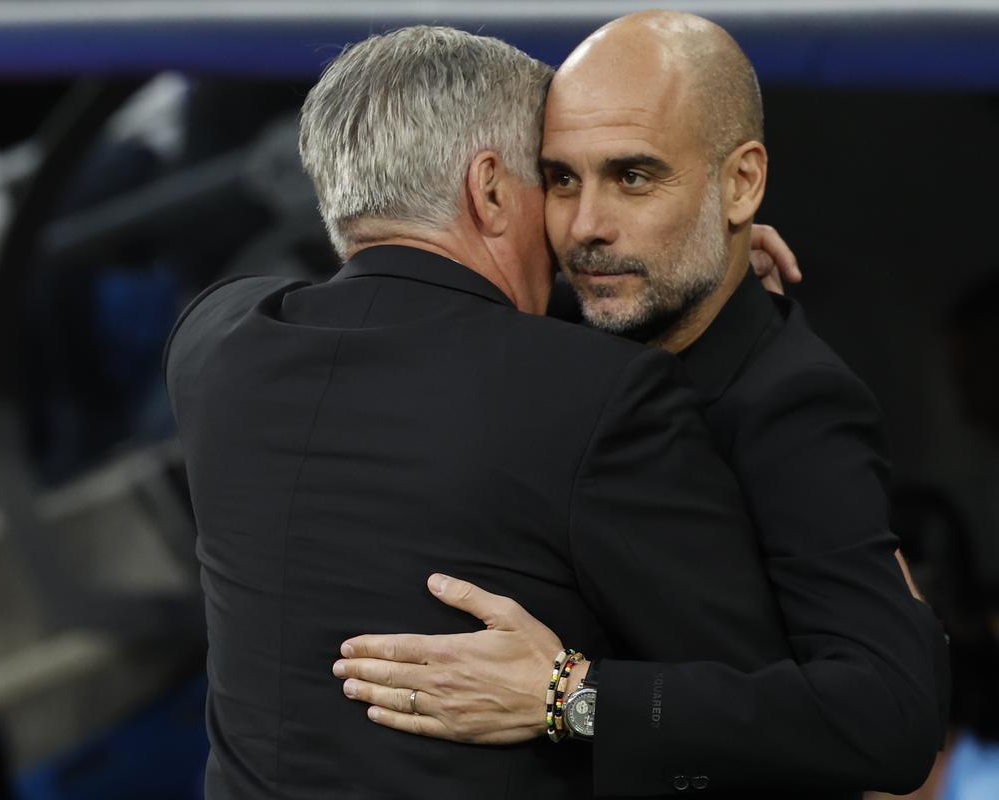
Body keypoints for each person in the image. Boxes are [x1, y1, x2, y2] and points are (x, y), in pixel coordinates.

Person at [166, 26, 805, 799]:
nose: (578, 220)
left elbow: (434, 305)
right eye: (558, 179)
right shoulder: (600, 396)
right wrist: (573, 700)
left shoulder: (214, 349)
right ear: (492, 189)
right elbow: (761, 722)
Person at [333, 11, 948, 797]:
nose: (587, 227)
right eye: (561, 179)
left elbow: (889, 714)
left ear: (742, 183)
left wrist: (572, 698)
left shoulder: (791, 404)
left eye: (634, 177)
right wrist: (700, 240)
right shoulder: (560, 332)